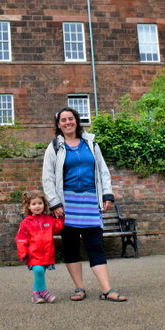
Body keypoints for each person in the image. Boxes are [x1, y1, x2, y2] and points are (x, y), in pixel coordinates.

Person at [41, 107, 127, 302]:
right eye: (63, 120)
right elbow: (48, 178)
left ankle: (107, 290)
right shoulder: (54, 147)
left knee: (95, 245)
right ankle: (79, 288)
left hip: (89, 201)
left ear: (77, 121)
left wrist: (107, 194)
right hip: (66, 203)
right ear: (58, 124)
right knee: (71, 247)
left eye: (71, 119)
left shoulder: (91, 143)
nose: (67, 122)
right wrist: (54, 203)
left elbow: (103, 171)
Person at [16, 190, 64, 303]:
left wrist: (60, 217)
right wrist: (22, 252)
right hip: (33, 253)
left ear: (44, 205)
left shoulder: (49, 220)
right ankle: (44, 292)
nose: (37, 206)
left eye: (39, 203)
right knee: (38, 271)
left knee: (40, 273)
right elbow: (21, 239)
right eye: (34, 204)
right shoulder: (26, 223)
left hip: (47, 253)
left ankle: (36, 294)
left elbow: (58, 228)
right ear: (28, 207)